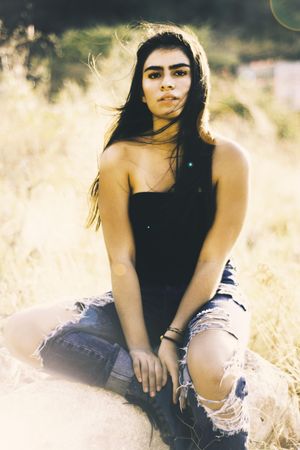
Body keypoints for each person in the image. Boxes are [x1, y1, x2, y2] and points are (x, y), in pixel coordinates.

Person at [3, 23, 251, 450]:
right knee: (18, 331)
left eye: (179, 72)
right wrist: (139, 348)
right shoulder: (120, 158)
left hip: (209, 297)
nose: (168, 84)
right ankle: (154, 394)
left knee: (209, 366)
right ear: (141, 88)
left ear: (198, 80)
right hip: (141, 297)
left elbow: (212, 260)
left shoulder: (227, 157)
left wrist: (171, 339)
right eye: (154, 74)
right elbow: (122, 262)